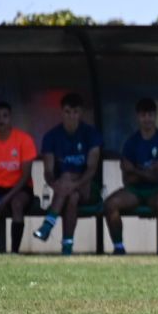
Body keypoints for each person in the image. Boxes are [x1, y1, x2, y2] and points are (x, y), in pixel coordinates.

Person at [102, 98, 158, 256]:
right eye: (143, 115)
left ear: (155, 116)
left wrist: (136, 170)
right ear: (138, 117)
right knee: (110, 204)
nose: (147, 119)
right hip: (135, 191)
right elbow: (127, 179)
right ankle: (119, 248)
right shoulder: (131, 142)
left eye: (150, 115)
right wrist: (147, 172)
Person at [34, 93, 103, 256]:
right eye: (67, 112)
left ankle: (47, 225)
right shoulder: (51, 136)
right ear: (61, 112)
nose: (71, 116)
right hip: (64, 190)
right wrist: (55, 185)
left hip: (87, 187)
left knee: (67, 178)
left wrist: (72, 183)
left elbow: (91, 169)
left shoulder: (91, 134)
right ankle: (67, 247)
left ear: (81, 113)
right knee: (72, 197)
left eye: (75, 112)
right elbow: (48, 171)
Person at [0, 101, 37, 254]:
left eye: (5, 116)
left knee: (17, 204)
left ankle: (14, 252)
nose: (1, 120)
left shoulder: (24, 140)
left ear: (11, 118)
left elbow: (25, 176)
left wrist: (7, 198)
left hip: (20, 188)